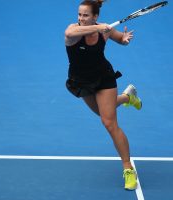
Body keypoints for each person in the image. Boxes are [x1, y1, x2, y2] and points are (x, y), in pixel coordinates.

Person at [64, 0, 142, 190]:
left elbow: (120, 39)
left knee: (108, 122)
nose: (81, 19)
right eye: (80, 15)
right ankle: (127, 97)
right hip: (81, 81)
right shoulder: (73, 31)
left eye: (86, 15)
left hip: (103, 78)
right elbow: (69, 33)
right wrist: (96, 29)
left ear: (95, 17)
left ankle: (128, 169)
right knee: (102, 112)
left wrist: (124, 39)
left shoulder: (105, 29)